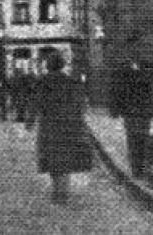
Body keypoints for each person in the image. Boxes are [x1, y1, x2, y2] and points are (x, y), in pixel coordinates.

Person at [26, 52, 92, 203]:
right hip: (67, 124)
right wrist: (79, 121)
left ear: (48, 65)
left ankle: (57, 189)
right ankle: (64, 190)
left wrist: (30, 121)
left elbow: (35, 102)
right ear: (62, 65)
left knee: (52, 158)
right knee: (65, 156)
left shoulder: (42, 82)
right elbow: (79, 104)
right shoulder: (70, 82)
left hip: (48, 125)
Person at [109, 57, 152, 178]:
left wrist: (116, 109)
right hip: (135, 110)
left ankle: (139, 168)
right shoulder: (126, 71)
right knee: (136, 138)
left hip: (138, 110)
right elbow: (118, 91)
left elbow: (118, 90)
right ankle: (139, 169)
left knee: (137, 138)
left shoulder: (144, 69)